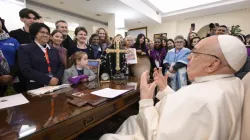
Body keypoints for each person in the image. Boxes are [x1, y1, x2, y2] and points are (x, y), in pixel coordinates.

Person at [100, 35, 247, 140]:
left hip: (150, 130)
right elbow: (182, 105)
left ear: (213, 64)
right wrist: (165, 89)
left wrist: (146, 101)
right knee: (132, 120)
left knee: (108, 137)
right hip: (158, 121)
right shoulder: (230, 82)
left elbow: (157, 136)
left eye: (194, 53)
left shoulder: (204, 99)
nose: (189, 57)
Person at [18, 23, 64, 90]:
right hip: (36, 86)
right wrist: (48, 80)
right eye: (42, 32)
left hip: (55, 85)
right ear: (35, 34)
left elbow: (61, 65)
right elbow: (26, 69)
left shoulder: (54, 50)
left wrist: (56, 78)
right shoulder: (25, 48)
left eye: (47, 33)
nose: (45, 35)